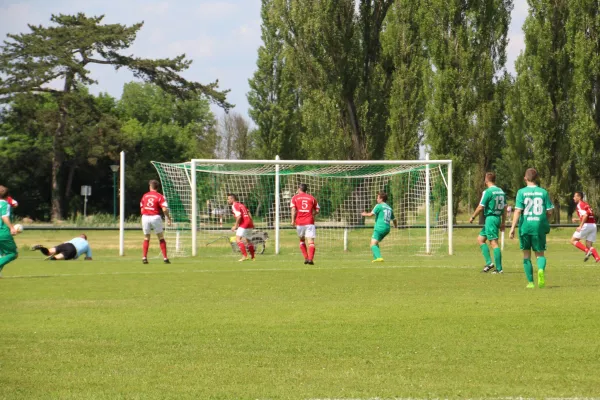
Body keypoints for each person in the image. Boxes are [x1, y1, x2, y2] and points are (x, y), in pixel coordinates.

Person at [509, 168, 554, 289]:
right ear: (537, 178)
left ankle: (530, 282)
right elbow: (550, 211)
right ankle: (540, 270)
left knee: (526, 255)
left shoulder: (521, 192)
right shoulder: (543, 192)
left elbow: (518, 211)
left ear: (525, 178)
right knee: (540, 254)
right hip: (538, 227)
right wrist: (545, 221)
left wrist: (512, 228)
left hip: (525, 227)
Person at [469, 172, 506, 273]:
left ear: (486, 180)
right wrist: (503, 222)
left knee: (494, 244)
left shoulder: (488, 192)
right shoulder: (501, 191)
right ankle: (489, 263)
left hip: (491, 218)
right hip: (497, 218)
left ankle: (499, 269)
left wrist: (473, 216)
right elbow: (505, 208)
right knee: (480, 239)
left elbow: (481, 206)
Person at [140, 180, 171, 264]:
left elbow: (142, 208)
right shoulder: (160, 196)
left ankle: (144, 257)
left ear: (150, 187)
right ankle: (165, 258)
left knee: (146, 237)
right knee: (160, 237)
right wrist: (168, 218)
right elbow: (164, 209)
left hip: (145, 217)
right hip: (155, 217)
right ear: (157, 187)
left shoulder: (145, 195)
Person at [361, 191, 398, 262]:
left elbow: (370, 215)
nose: (377, 199)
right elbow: (394, 219)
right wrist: (395, 226)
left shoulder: (378, 206)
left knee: (372, 244)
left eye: (378, 198)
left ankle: (379, 257)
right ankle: (376, 259)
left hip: (380, 227)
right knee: (375, 242)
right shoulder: (389, 208)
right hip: (387, 228)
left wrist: (364, 214)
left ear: (381, 199)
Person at [290, 183, 320, 265]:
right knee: (311, 242)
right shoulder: (312, 198)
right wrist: (312, 214)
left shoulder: (295, 198)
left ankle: (306, 258)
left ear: (299, 189)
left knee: (302, 240)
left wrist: (292, 220)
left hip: (299, 222)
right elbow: (317, 210)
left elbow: (293, 210)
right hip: (309, 222)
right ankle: (310, 259)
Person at [570, 191, 600, 262]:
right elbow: (587, 215)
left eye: (575, 196)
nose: (573, 198)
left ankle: (587, 251)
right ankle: (598, 258)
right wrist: (577, 219)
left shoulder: (580, 205)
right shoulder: (586, 204)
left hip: (586, 225)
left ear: (579, 197)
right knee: (589, 244)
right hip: (593, 225)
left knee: (573, 240)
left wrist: (580, 226)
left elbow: (585, 216)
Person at [227, 193, 255, 261]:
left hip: (244, 224)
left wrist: (235, 226)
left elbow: (239, 216)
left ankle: (244, 256)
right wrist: (252, 223)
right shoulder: (241, 205)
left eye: (228, 199)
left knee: (238, 239)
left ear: (232, 199)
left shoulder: (234, 205)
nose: (227, 200)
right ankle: (253, 257)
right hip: (249, 223)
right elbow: (249, 213)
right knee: (248, 241)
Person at [0, 186, 19, 276]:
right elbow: (4, 217)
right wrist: (11, 228)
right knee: (13, 253)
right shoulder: (5, 204)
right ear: (7, 195)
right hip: (2, 232)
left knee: (2, 254)